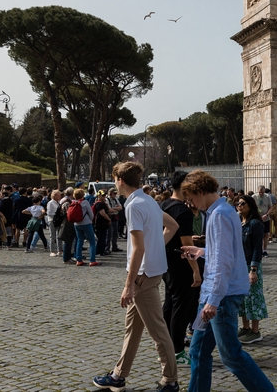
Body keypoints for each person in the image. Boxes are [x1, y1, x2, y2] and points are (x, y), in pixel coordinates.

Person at [178, 170, 276, 392]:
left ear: (200, 191)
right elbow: (226, 251)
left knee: (231, 356)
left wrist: (213, 301)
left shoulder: (219, 215)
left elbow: (224, 261)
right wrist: (202, 251)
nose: (191, 204)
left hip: (220, 296)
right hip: (217, 293)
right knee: (198, 352)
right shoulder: (224, 211)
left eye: (191, 199)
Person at [93, 161, 181, 392]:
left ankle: (170, 380)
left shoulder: (133, 206)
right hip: (152, 271)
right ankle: (118, 375)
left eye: (114, 179)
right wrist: (157, 248)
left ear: (119, 180)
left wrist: (128, 285)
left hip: (143, 276)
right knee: (132, 329)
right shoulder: (149, 200)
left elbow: (138, 249)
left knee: (158, 332)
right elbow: (172, 225)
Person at [159, 171, 202, 368]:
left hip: (165, 261)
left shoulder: (165, 205)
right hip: (181, 263)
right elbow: (186, 245)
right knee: (181, 308)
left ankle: (166, 347)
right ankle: (176, 350)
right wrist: (196, 270)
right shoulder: (183, 211)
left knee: (169, 304)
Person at [235, 194, 268, 344]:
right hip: (241, 265)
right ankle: (245, 327)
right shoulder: (240, 222)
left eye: (242, 203)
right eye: (238, 204)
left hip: (251, 265)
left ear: (250, 205)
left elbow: (257, 248)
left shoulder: (255, 224)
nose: (239, 206)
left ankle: (255, 331)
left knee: (253, 298)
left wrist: (253, 269)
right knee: (243, 298)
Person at [72, 188, 99, 266]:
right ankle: (92, 260)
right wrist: (90, 220)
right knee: (92, 242)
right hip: (86, 223)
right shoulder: (85, 202)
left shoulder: (73, 202)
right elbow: (91, 214)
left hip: (76, 224)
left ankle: (79, 259)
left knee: (79, 241)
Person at [254, 186, 273, 257]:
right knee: (257, 235)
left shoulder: (267, 197)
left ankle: (264, 250)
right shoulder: (254, 197)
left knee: (265, 235)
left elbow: (271, 207)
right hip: (257, 218)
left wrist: (266, 215)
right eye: (259, 192)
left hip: (265, 218)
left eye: (262, 192)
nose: (261, 193)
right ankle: (258, 249)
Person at [92, 191, 112, 256]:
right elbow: (102, 213)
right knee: (101, 238)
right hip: (100, 223)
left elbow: (108, 210)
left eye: (104, 195)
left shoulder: (103, 203)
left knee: (103, 237)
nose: (104, 197)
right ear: (99, 196)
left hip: (104, 223)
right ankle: (99, 251)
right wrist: (109, 219)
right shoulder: (99, 204)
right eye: (102, 195)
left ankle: (102, 250)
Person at [107, 188, 124, 252]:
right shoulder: (107, 200)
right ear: (110, 193)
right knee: (109, 233)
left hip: (115, 217)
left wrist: (113, 209)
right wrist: (116, 209)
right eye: (114, 193)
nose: (115, 195)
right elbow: (109, 209)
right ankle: (107, 247)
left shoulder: (116, 199)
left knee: (115, 233)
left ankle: (114, 246)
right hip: (110, 217)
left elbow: (121, 207)